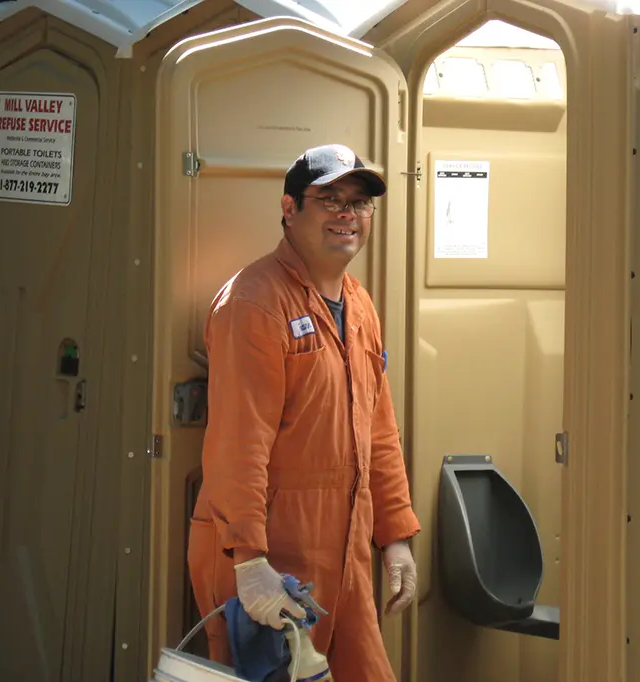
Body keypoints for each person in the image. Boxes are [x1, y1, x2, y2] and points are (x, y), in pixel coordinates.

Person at [188, 143, 421, 682]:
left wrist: (396, 536)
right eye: (330, 199)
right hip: (270, 555)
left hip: (346, 553)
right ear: (289, 209)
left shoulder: (359, 304)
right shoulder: (254, 302)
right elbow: (238, 442)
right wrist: (248, 562)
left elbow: (378, 431)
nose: (348, 215)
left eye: (360, 203)